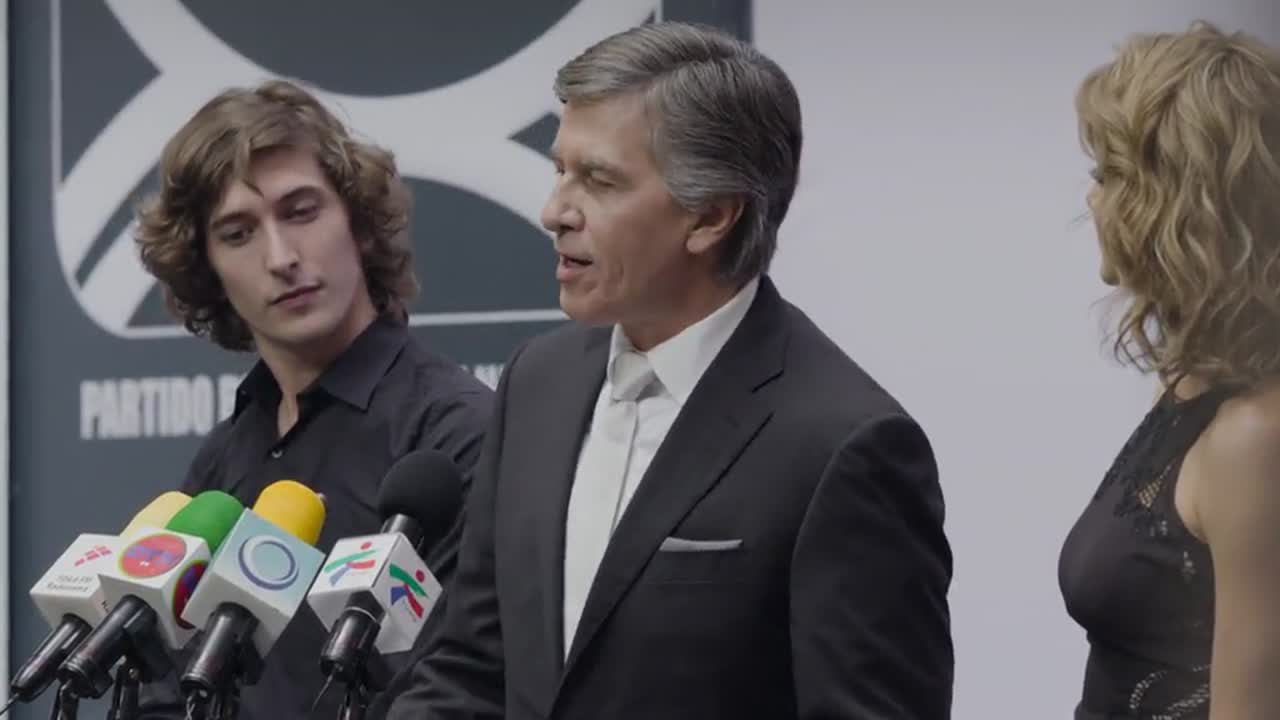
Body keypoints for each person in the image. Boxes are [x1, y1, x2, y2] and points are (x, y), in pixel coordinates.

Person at [385, 21, 954, 720]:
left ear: (710, 217)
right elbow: (473, 669)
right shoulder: (538, 383)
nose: (554, 212)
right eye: (560, 170)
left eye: (598, 180)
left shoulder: (845, 445)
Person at [131, 79, 493, 720]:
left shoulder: (455, 433)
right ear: (207, 267)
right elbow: (165, 685)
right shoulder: (223, 460)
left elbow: (459, 689)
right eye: (238, 233)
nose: (281, 258)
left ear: (357, 222)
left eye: (300, 212)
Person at [1058, 21, 1280, 720]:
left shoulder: (1253, 438)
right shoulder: (1189, 384)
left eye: (1108, 175)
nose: (1092, 200)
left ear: (1179, 200)